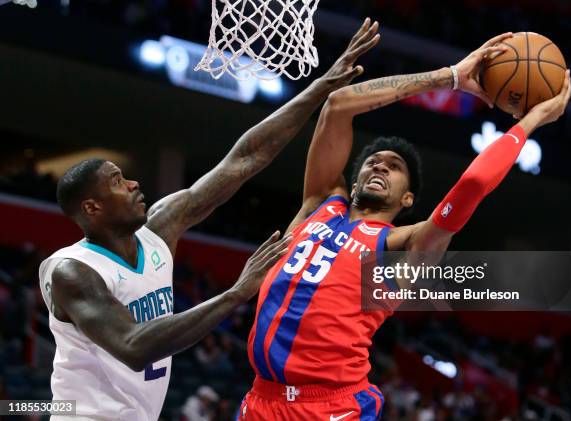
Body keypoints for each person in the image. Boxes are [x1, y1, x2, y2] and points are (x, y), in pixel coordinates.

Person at [38, 20, 381, 421]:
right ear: (92, 209)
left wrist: (321, 87)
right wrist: (236, 293)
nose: (133, 183)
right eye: (117, 181)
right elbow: (134, 346)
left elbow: (244, 159)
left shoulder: (161, 228)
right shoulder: (73, 272)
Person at [240, 31, 571, 420]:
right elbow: (338, 103)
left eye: (394, 167)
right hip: (260, 399)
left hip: (330, 407)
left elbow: (474, 185)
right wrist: (448, 77)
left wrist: (531, 120)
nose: (380, 165)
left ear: (407, 199)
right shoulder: (319, 204)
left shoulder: (404, 245)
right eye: (373, 161)